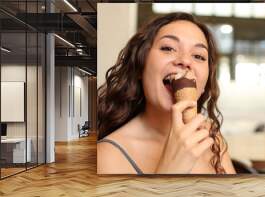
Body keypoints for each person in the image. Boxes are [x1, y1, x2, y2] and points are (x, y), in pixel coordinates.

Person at [97, 12, 236, 174]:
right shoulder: (105, 157)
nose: (185, 61)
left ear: (204, 83)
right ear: (140, 67)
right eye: (168, 48)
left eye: (198, 56)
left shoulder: (212, 137)